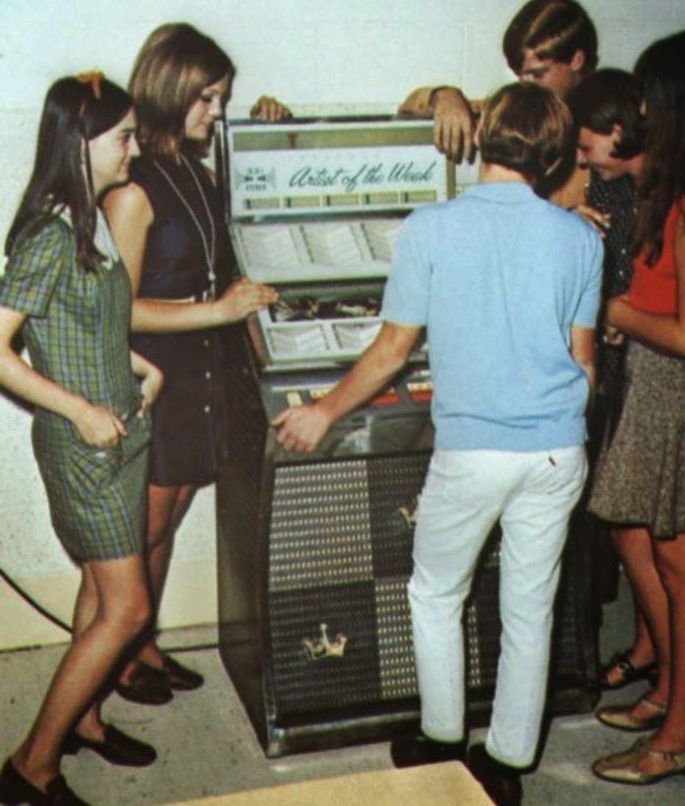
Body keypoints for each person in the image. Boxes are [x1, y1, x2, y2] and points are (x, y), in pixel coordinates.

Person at [274, 82, 602, 806]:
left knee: (434, 593)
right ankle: (507, 761)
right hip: (557, 447)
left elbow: (392, 350)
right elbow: (584, 364)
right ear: (553, 158)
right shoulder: (580, 238)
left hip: (474, 450)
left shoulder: (430, 227)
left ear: (481, 136)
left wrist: (323, 410)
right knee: (529, 607)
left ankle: (444, 739)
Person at [103, 23, 282, 706]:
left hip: (199, 370)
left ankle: (142, 641)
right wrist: (217, 310)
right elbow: (118, 312)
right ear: (170, 90)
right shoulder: (132, 188)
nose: (216, 111)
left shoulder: (195, 173)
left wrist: (272, 125)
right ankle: (121, 653)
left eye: (222, 98)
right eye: (206, 98)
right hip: (154, 375)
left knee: (169, 518)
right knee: (145, 527)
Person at [0, 74, 162, 805]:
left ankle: (85, 721)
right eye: (123, 137)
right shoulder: (49, 235)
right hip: (85, 448)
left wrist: (137, 364)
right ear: (81, 143)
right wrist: (79, 410)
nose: (134, 149)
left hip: (120, 435)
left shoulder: (89, 222)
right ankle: (29, 768)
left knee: (101, 594)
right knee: (129, 610)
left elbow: (82, 324)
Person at [587, 29, 685, 785]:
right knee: (643, 535)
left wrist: (615, 310)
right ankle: (675, 696)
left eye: (649, 94)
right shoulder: (677, 185)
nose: (639, 107)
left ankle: (683, 735)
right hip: (657, 379)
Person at [566, 68, 653, 686]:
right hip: (621, 365)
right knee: (632, 523)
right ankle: (651, 647)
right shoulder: (609, 188)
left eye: (587, 143)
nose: (580, 157)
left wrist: (622, 313)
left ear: (618, 129)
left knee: (646, 525)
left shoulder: (673, 193)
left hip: (661, 371)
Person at [398, 0, 597, 182]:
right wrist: (445, 97)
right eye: (519, 75)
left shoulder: (603, 126)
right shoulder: (509, 111)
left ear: (576, 60)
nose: (524, 85)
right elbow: (406, 110)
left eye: (537, 74)